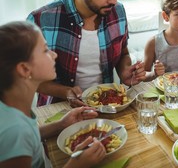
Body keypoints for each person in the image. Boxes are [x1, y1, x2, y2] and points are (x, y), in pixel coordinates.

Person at [27, 0, 146, 107]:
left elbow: (123, 53)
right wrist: (65, 92)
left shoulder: (117, 11)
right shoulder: (42, 20)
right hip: (58, 109)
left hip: (108, 106)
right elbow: (28, 76)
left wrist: (124, 71)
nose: (114, 0)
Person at [0, 21, 106, 168]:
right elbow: (20, 136)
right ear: (24, 69)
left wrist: (60, 125)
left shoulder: (11, 109)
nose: (54, 54)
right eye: (45, 50)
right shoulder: (14, 131)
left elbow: (29, 135)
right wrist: (75, 165)